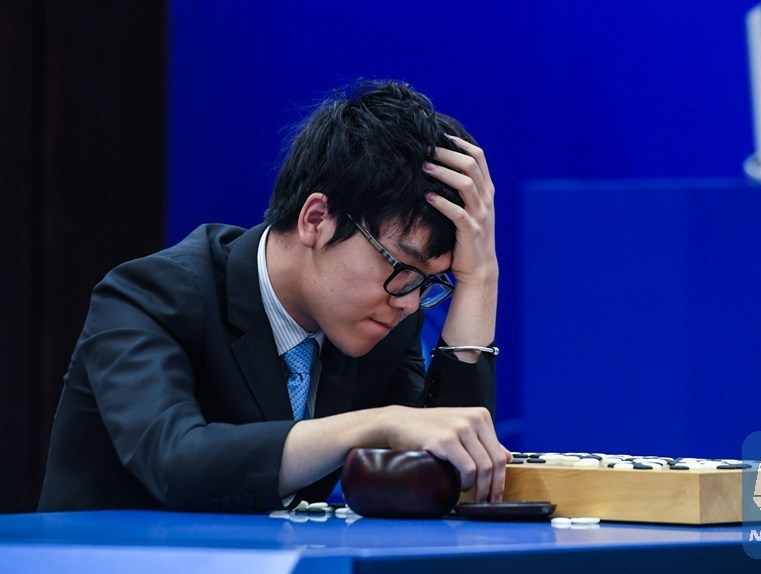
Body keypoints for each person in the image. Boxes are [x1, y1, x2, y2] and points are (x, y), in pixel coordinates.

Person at [38, 79, 509, 513]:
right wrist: (377, 424)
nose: (408, 302)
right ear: (316, 219)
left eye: (428, 283)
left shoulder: (384, 319)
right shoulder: (150, 294)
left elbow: (446, 471)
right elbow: (175, 461)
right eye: (402, 267)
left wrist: (480, 279)